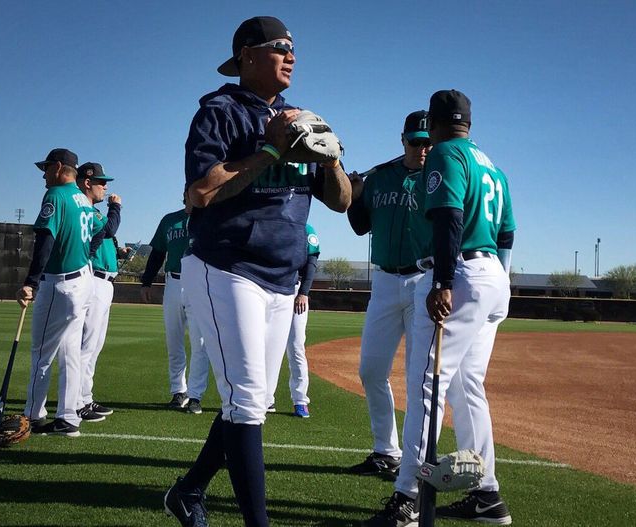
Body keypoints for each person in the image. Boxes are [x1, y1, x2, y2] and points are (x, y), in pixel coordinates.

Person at [163, 16, 350, 527]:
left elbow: (341, 203)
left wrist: (330, 158)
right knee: (246, 402)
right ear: (247, 55)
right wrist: (269, 151)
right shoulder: (219, 112)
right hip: (226, 267)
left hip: (281, 277)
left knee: (256, 403)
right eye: (279, 48)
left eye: (294, 50)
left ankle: (189, 490)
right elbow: (199, 193)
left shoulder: (299, 118)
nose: (291, 57)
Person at [363, 90, 516, 526]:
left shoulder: (446, 154)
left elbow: (448, 217)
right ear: (469, 120)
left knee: (426, 387)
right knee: (468, 387)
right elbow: (506, 233)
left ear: (434, 121)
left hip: (459, 275)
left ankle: (408, 495)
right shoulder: (492, 166)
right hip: (492, 277)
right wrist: (498, 282)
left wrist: (446, 281)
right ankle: (488, 496)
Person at [345, 111, 432, 478]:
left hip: (422, 282)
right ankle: (386, 451)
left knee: (418, 378)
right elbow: (360, 227)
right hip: (383, 283)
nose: (422, 149)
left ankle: (416, 460)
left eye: (428, 142)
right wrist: (353, 197)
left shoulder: (440, 179)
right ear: (402, 139)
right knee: (370, 370)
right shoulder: (379, 178)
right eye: (415, 141)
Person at [17, 148, 95, 437]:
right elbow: (99, 231)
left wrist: (31, 282)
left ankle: (33, 415)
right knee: (70, 353)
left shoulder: (56, 195)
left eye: (47, 168)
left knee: (41, 353)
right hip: (83, 279)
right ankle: (68, 417)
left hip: (60, 283)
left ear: (60, 167)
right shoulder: (83, 201)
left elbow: (45, 241)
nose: (44, 174)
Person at [141, 197, 209, 414]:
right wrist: (147, 281)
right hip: (173, 282)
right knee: (174, 340)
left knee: (200, 342)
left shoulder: (208, 218)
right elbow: (158, 253)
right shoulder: (170, 220)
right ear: (185, 195)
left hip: (199, 283)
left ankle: (196, 395)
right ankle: (179, 391)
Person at [76, 162, 123, 422]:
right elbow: (109, 229)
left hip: (105, 281)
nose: (105, 186)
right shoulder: (86, 211)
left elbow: (106, 236)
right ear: (87, 182)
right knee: (86, 345)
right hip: (92, 279)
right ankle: (77, 402)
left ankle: (85, 398)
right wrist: (115, 207)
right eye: (101, 182)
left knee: (94, 346)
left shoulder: (93, 212)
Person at [265, 223, 321, 418]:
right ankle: (266, 398)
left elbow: (311, 261)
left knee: (296, 346)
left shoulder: (306, 229)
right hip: (270, 289)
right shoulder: (271, 223)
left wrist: (304, 293)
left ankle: (300, 400)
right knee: (268, 345)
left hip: (295, 290)